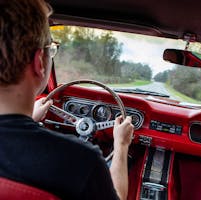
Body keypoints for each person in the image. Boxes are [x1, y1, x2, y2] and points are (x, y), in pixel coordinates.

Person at [0, 0, 134, 199]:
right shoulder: (81, 160)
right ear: (39, 63)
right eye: (50, 49)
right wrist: (121, 145)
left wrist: (31, 120)